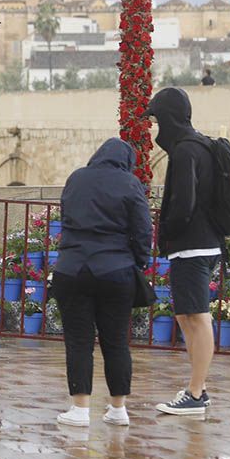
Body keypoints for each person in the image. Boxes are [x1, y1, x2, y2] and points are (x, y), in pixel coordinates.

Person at [50, 138, 152, 427]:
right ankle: (118, 409)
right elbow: (143, 228)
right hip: (116, 271)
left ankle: (80, 409)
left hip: (73, 269)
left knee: (79, 341)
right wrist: (139, 260)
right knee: (117, 340)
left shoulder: (76, 178)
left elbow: (66, 216)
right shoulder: (130, 183)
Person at [144, 87, 221, 416]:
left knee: (198, 316)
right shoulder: (198, 145)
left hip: (192, 245)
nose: (157, 125)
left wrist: (167, 233)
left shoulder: (186, 150)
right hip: (199, 243)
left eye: (159, 118)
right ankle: (197, 387)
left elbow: (184, 202)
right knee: (186, 315)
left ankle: (196, 392)